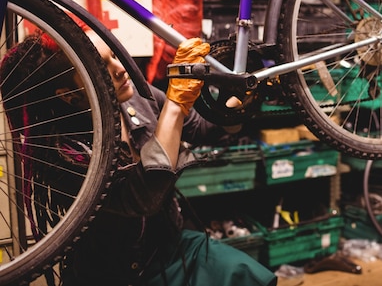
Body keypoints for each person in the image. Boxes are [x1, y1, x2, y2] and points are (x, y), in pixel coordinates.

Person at [0, 30, 277, 286]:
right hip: (112, 276)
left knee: (249, 276)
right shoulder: (62, 152)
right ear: (70, 96)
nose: (122, 69)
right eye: (103, 68)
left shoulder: (135, 97)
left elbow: (202, 128)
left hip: (171, 249)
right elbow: (143, 197)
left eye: (113, 56)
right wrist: (174, 106)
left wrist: (240, 98)